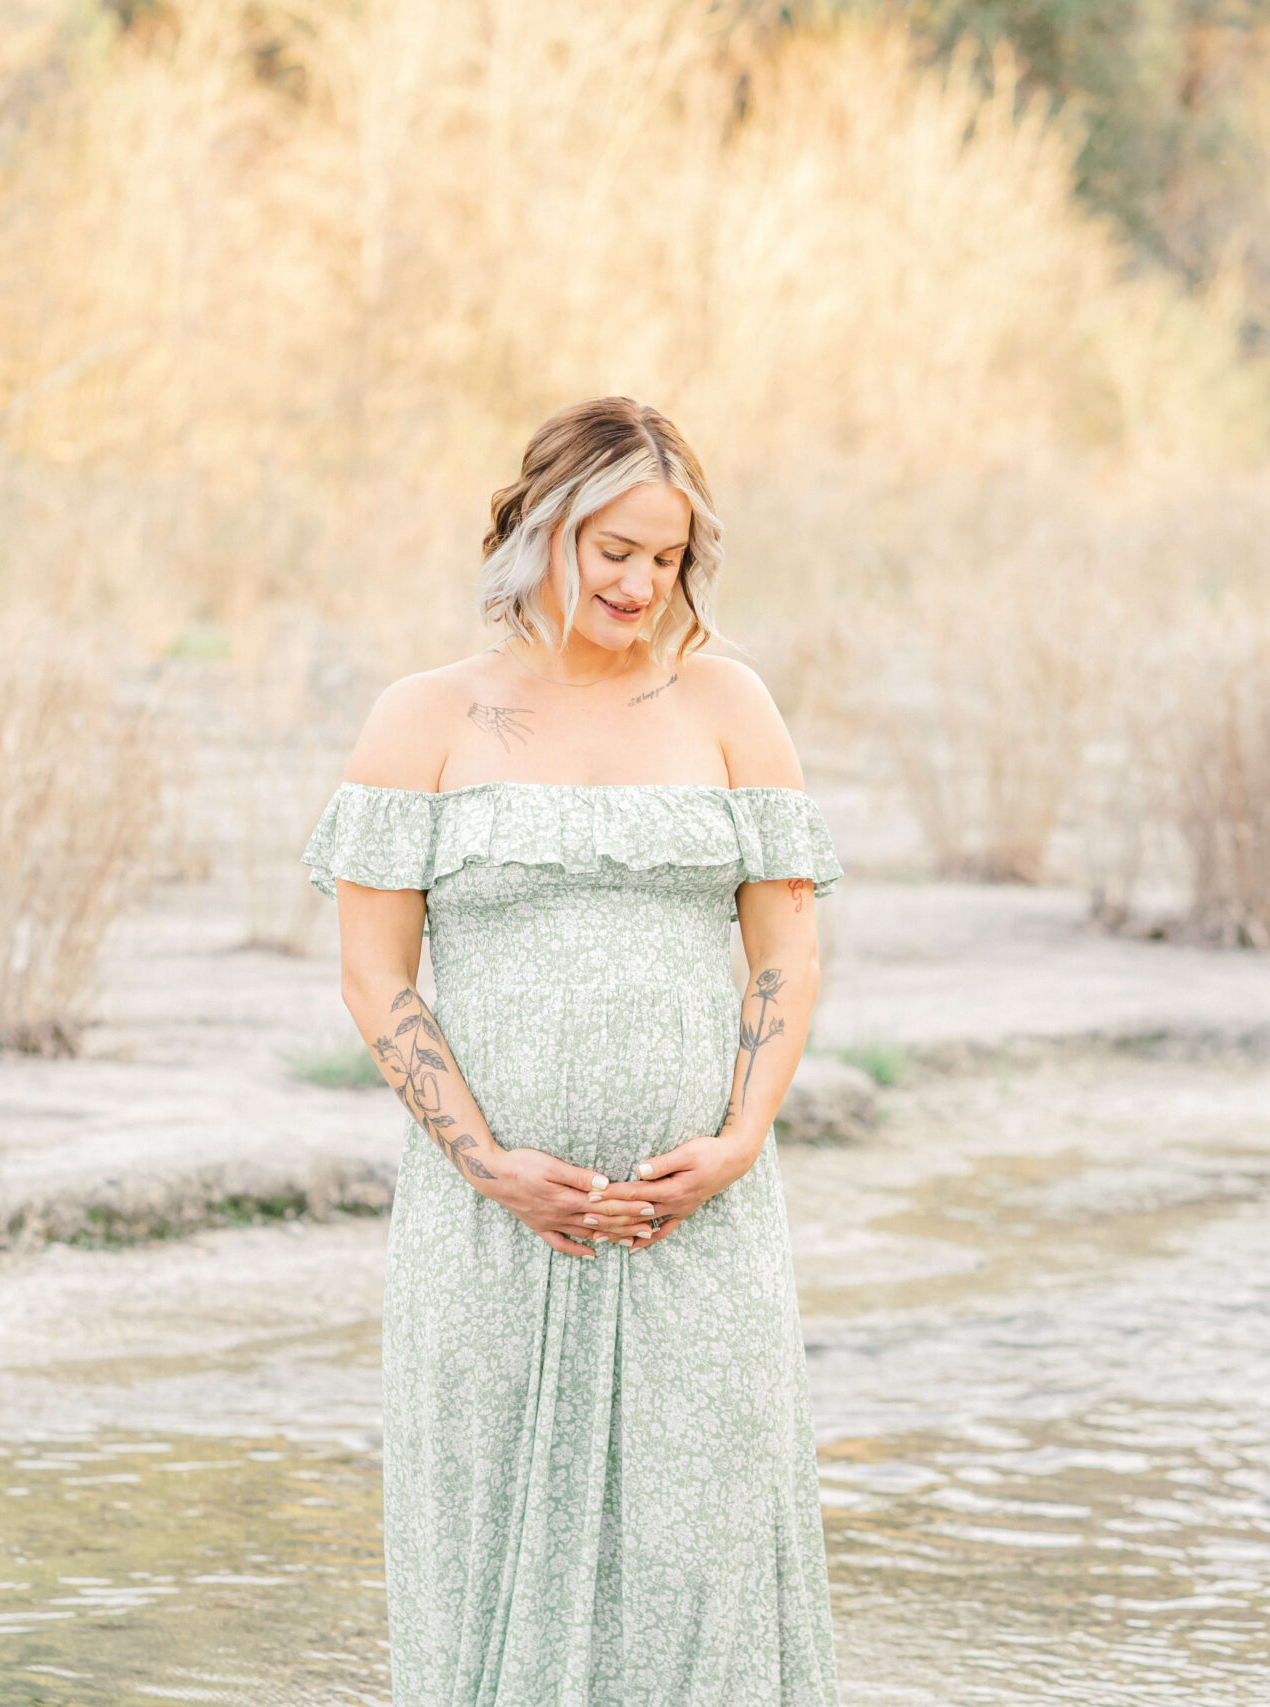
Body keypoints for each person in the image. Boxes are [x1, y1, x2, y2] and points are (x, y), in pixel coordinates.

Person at [302, 396, 842, 1702]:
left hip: (698, 1229)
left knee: (697, 1570)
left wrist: (739, 1141)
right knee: (496, 1561)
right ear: (536, 531)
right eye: (613, 550)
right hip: (490, 1236)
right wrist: (489, 1165)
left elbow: (786, 951)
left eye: (666, 558)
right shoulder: (426, 720)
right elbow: (379, 982)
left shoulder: (727, 704)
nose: (640, 584)